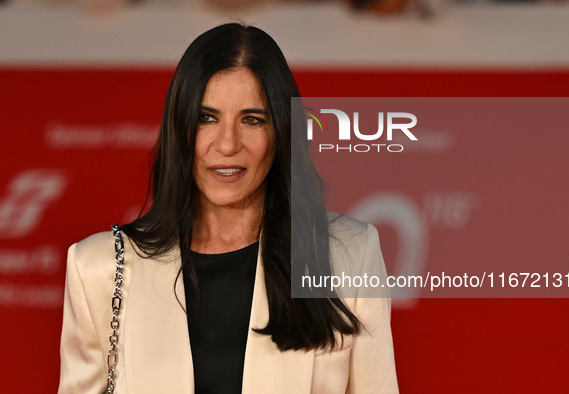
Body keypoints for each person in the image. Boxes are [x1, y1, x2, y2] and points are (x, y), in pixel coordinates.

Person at [58, 23, 398, 393]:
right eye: (207, 118)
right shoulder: (98, 267)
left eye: (252, 120)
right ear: (179, 127)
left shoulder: (350, 254)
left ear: (281, 133)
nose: (227, 143)